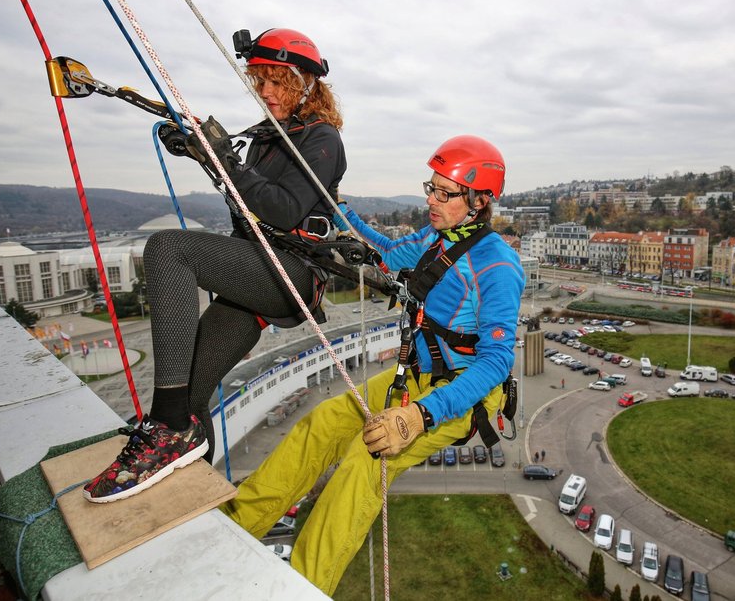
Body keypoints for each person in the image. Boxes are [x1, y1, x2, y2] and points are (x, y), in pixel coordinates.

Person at [222, 135, 525, 595]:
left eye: (445, 193)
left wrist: (418, 416)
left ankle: (304, 587)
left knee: (365, 463)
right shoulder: (434, 239)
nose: (431, 199)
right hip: (422, 377)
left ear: (480, 201)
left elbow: (496, 362)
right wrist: (334, 205)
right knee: (323, 422)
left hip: (464, 392)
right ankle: (238, 523)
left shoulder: (496, 264)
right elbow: (382, 250)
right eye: (431, 187)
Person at [83, 28, 346, 503]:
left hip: (291, 271)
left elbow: (284, 210)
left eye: (275, 81)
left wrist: (223, 155)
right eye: (258, 81)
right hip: (259, 274)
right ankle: (191, 496)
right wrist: (201, 153)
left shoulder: (322, 140)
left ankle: (163, 428)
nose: (264, 91)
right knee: (191, 394)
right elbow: (247, 198)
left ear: (306, 84)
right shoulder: (267, 140)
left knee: (167, 248)